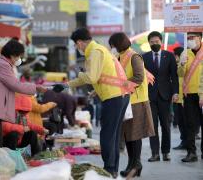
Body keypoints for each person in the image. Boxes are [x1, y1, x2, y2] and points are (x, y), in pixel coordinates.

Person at [67, 28, 130, 178]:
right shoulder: (99, 49)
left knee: (107, 135)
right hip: (119, 94)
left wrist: (80, 72)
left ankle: (109, 169)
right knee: (113, 135)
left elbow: (91, 77)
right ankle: (112, 169)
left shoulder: (95, 52)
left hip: (114, 97)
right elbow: (103, 76)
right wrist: (68, 85)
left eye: (76, 45)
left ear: (80, 42)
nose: (77, 48)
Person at [0, 39, 47, 147]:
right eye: (18, 56)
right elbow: (16, 85)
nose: (19, 59)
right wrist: (36, 88)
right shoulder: (3, 65)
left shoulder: (2, 64)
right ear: (12, 55)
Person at [109, 32, 155, 178]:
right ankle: (132, 164)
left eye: (113, 45)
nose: (112, 48)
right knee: (128, 134)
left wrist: (121, 85)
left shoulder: (134, 56)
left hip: (137, 100)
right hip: (127, 101)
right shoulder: (119, 57)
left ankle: (136, 163)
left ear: (118, 44)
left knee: (135, 135)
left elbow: (139, 77)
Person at [142, 31, 179, 162]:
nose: (154, 44)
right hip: (149, 97)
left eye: (157, 42)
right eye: (152, 42)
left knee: (166, 125)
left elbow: (174, 77)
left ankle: (166, 152)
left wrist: (175, 92)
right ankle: (155, 153)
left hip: (165, 96)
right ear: (149, 43)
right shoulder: (144, 57)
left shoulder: (168, 56)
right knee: (153, 126)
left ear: (161, 42)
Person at [179, 32, 203, 162]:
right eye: (188, 38)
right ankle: (191, 152)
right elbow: (180, 74)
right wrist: (182, 64)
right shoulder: (185, 53)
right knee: (190, 125)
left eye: (192, 38)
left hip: (202, 94)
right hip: (189, 94)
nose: (190, 40)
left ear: (199, 38)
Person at [172, 47, 187, 150]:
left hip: (185, 99)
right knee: (180, 121)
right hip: (177, 98)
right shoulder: (175, 66)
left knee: (185, 122)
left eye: (175, 55)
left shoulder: (184, 66)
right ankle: (184, 141)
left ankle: (187, 142)